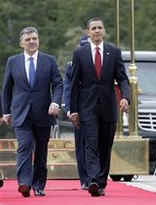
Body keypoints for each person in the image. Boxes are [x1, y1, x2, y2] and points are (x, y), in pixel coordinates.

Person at [70, 17, 130, 197]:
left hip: (108, 106)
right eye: (93, 28)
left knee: (105, 145)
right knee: (91, 144)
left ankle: (101, 182)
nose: (97, 31)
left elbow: (122, 78)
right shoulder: (80, 53)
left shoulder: (114, 52)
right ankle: (93, 180)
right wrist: (73, 110)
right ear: (88, 32)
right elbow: (74, 83)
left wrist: (125, 97)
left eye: (100, 28)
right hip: (87, 107)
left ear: (104, 31)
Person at [2, 26, 63, 197]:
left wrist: (56, 102)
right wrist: (5, 111)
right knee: (25, 145)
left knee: (41, 150)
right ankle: (24, 183)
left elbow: (58, 84)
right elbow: (6, 88)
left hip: (44, 113)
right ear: (22, 43)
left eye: (34, 38)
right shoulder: (13, 61)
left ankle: (38, 185)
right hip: (20, 113)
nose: (32, 42)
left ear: (38, 40)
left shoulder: (49, 60)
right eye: (28, 39)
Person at [63, 34, 89, 190]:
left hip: (96, 109)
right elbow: (68, 86)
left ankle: (95, 176)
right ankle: (85, 179)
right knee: (81, 145)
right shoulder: (72, 65)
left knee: (95, 144)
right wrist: (68, 107)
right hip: (79, 109)